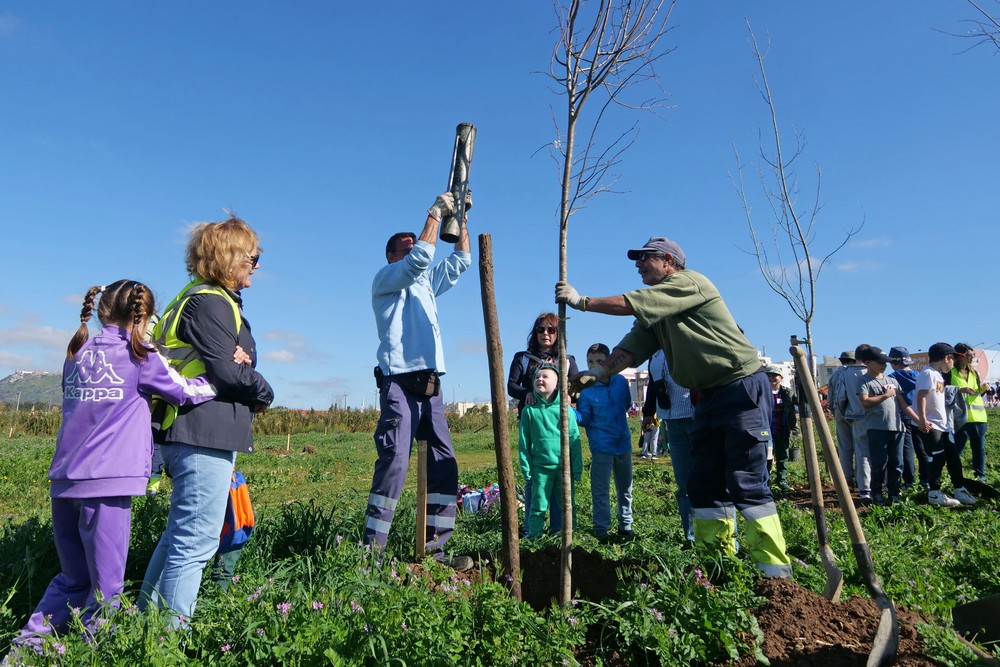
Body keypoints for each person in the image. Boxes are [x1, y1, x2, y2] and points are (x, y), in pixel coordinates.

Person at [556, 236, 791, 577]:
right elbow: (633, 347)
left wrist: (583, 302)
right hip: (707, 397)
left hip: (740, 388)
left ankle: (775, 575)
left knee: (745, 479)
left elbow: (631, 303)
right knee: (705, 482)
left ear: (668, 261)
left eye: (644, 258)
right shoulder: (659, 313)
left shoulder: (689, 283)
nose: (638, 264)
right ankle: (718, 565)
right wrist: (600, 372)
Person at [15, 281, 218, 648]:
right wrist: (215, 383)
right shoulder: (140, 355)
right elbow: (183, 392)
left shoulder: (76, 351)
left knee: (72, 578)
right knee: (107, 588)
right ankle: (96, 653)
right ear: (144, 317)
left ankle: (24, 651)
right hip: (107, 484)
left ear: (102, 310)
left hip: (63, 481)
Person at [140, 214, 274, 623]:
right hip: (203, 433)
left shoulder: (199, 299)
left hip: (191, 431)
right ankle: (169, 640)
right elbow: (229, 372)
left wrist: (243, 363)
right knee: (195, 543)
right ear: (229, 257)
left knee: (177, 537)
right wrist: (263, 389)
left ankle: (145, 622)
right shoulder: (211, 302)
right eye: (252, 257)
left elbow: (233, 366)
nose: (256, 265)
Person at [365, 192, 473, 571]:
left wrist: (459, 219)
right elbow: (420, 259)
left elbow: (461, 261)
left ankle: (435, 549)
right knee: (395, 460)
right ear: (392, 256)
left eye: (417, 241)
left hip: (431, 386)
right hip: (398, 382)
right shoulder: (387, 280)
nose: (416, 247)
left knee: (445, 461)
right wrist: (434, 214)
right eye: (406, 246)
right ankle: (371, 554)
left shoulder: (425, 284)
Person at [507, 313, 579, 535]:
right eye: (541, 329)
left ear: (558, 334)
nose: (545, 334)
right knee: (534, 484)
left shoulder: (567, 359)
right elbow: (511, 386)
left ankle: (559, 531)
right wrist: (527, 392)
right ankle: (533, 530)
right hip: (533, 421)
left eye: (551, 330)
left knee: (561, 486)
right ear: (534, 333)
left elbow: (576, 387)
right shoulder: (524, 357)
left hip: (559, 424)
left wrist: (569, 396)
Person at [576, 343, 634, 542]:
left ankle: (626, 526)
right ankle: (601, 530)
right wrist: (568, 410)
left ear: (609, 362)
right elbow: (584, 419)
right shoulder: (587, 391)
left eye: (599, 362)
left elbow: (626, 404)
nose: (593, 366)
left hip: (623, 443)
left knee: (626, 488)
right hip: (602, 446)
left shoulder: (620, 382)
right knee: (601, 490)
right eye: (590, 362)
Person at [518, 363, 582, 538]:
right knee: (537, 505)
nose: (540, 379)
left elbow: (575, 440)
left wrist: (576, 467)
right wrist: (526, 467)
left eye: (545, 376)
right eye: (537, 377)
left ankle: (570, 535)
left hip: (564, 469)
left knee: (567, 505)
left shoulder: (566, 410)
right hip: (540, 469)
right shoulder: (529, 411)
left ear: (557, 384)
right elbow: (524, 442)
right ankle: (534, 536)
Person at [914, 342, 976, 507]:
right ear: (946, 358)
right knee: (937, 457)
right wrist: (922, 419)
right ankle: (934, 492)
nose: (953, 363)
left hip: (942, 425)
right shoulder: (928, 374)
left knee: (953, 457)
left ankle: (959, 489)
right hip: (931, 424)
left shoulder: (936, 374)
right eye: (952, 360)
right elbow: (921, 396)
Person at [858, 347, 920, 505]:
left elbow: (904, 405)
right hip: (876, 428)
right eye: (879, 362)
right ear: (867, 362)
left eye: (885, 363)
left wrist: (919, 420)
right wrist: (885, 396)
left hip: (897, 428)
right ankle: (877, 493)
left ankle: (894, 494)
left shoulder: (892, 381)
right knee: (879, 462)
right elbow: (865, 402)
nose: (883, 366)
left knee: (897, 462)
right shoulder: (864, 381)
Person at [949, 343, 989, 482]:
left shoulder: (974, 372)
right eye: (969, 355)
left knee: (979, 449)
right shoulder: (950, 372)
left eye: (973, 355)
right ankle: (955, 477)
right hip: (960, 418)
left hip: (978, 417)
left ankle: (981, 476)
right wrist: (960, 390)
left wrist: (983, 388)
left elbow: (976, 393)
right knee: (957, 450)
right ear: (960, 356)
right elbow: (944, 392)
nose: (972, 358)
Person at [887, 346, 921, 489]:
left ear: (894, 363)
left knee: (906, 449)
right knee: (921, 449)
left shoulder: (892, 378)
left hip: (903, 416)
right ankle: (925, 480)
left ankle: (908, 481)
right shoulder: (919, 376)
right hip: (920, 416)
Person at [826, 351, 859, 487]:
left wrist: (836, 412)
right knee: (860, 446)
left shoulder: (834, 374)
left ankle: (847, 477)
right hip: (855, 412)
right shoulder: (854, 373)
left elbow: (830, 398)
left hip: (839, 412)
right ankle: (860, 477)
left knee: (845, 446)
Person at [764, 365, 797, 493]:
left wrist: (793, 428)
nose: (772, 378)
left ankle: (781, 481)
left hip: (782, 429)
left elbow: (793, 411)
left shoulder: (787, 393)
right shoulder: (762, 393)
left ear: (781, 378)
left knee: (783, 455)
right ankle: (765, 482)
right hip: (767, 430)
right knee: (767, 457)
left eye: (774, 376)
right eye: (769, 376)